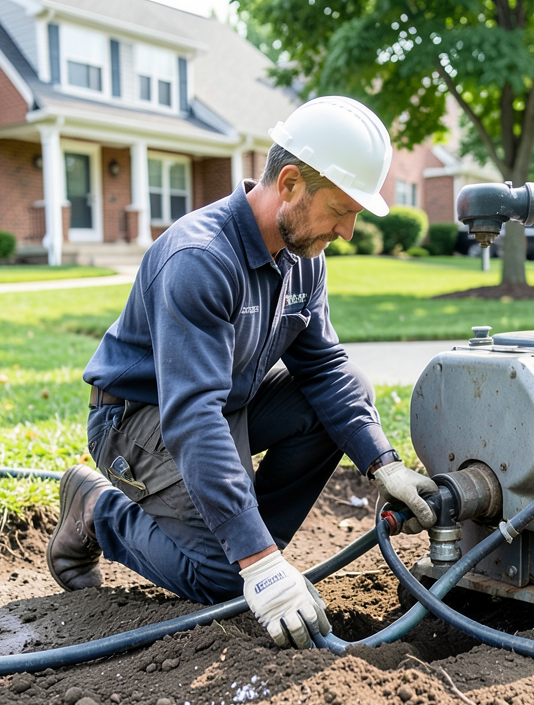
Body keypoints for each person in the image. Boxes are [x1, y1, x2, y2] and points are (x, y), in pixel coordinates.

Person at [47, 96, 437, 650]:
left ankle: (247, 546)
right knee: (227, 579)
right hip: (139, 419)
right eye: (343, 210)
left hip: (220, 404)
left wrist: (382, 461)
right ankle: (96, 510)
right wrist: (257, 563)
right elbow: (192, 417)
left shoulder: (305, 258)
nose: (349, 230)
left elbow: (324, 366)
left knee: (339, 405)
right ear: (291, 182)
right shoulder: (200, 259)